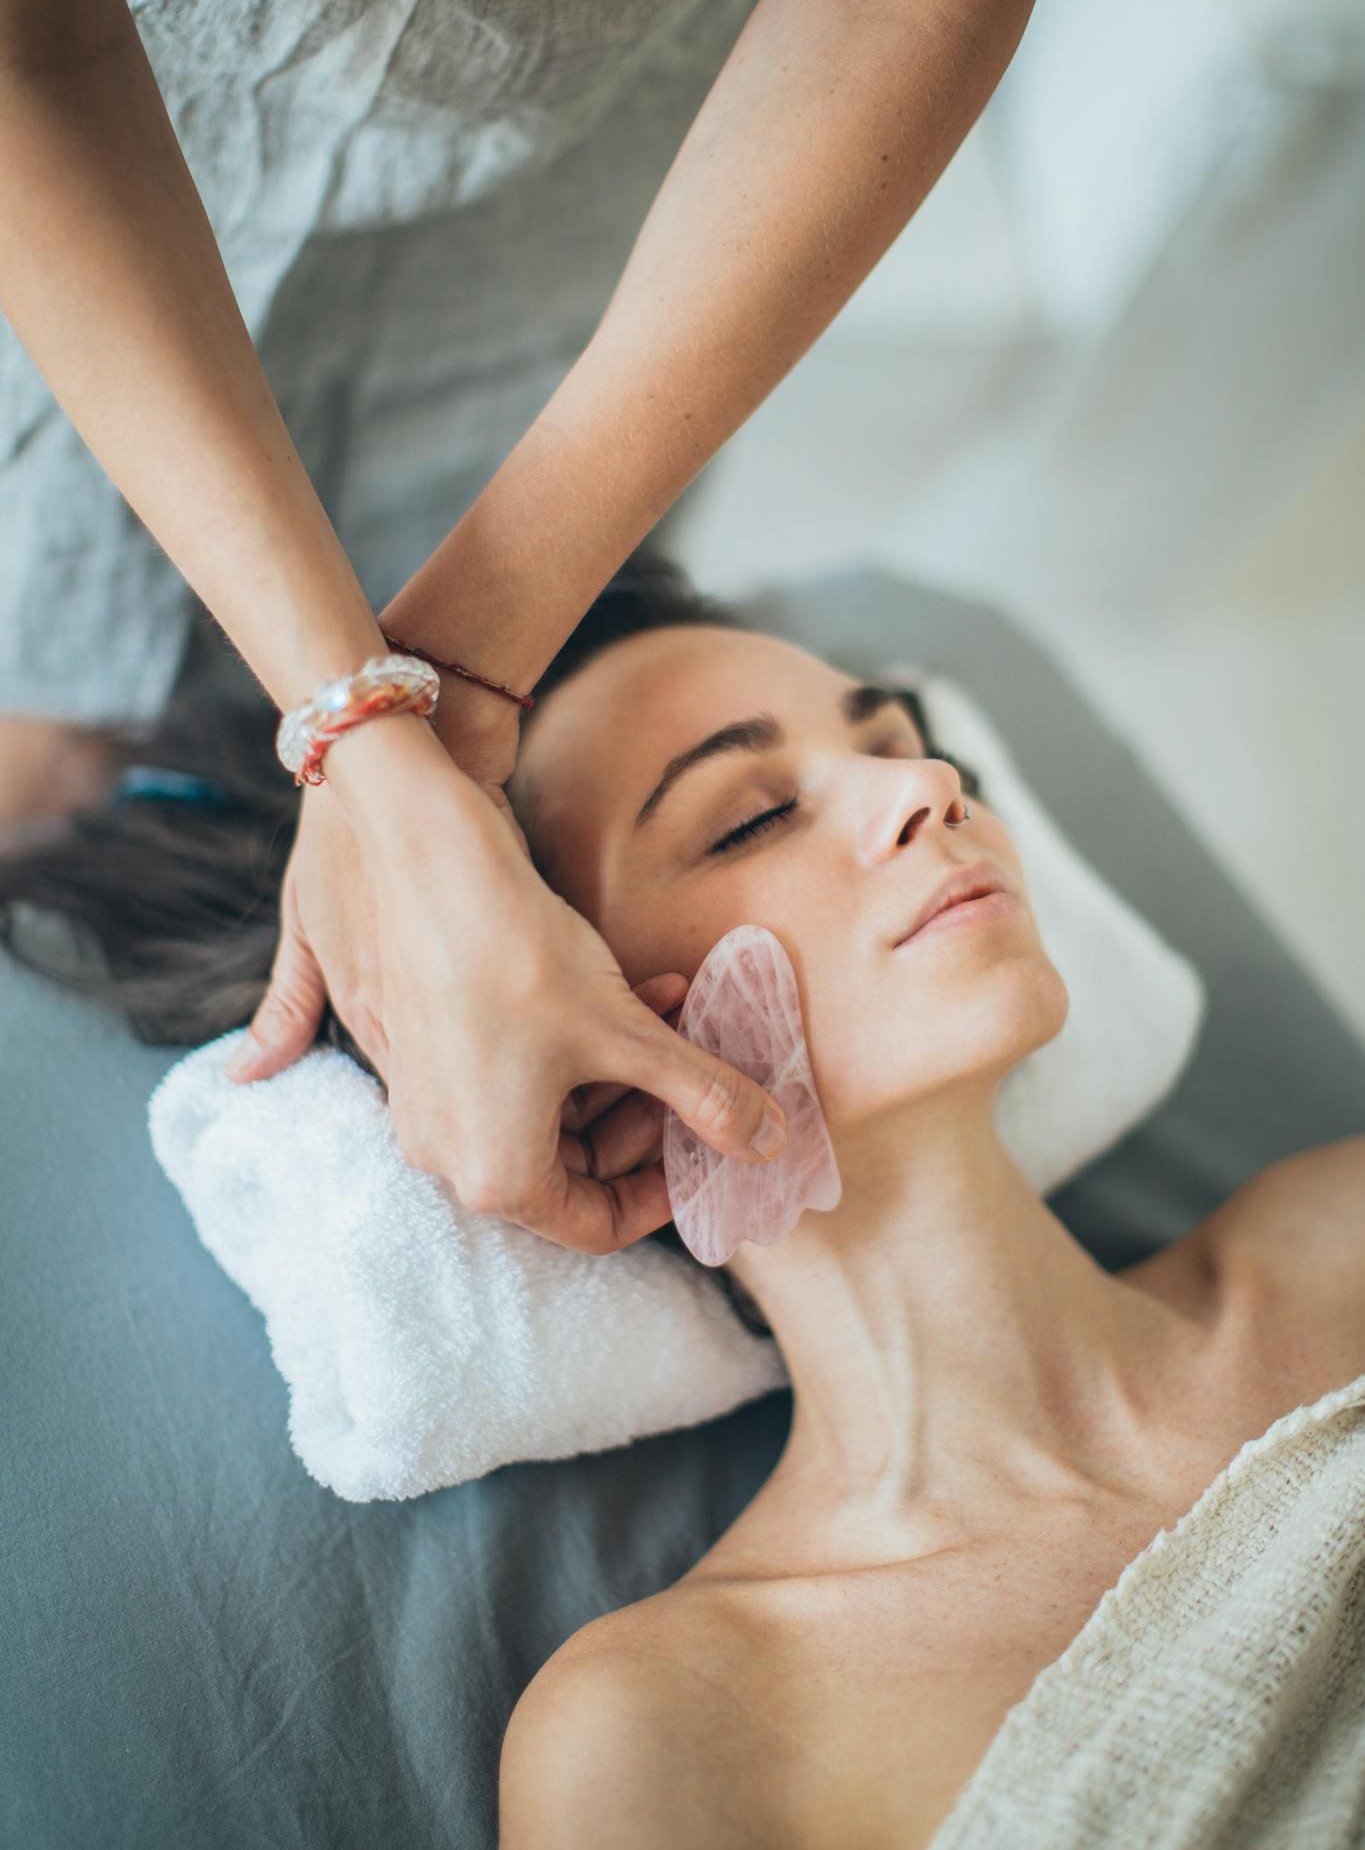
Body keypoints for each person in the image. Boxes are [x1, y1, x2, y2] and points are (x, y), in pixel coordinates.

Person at [2, 550, 1361, 1845]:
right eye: (753, 816)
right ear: (582, 1056)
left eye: (893, 739)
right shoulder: (673, 1732)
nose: (929, 786)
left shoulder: (1336, 1236)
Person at [0, 0, 1138, 1255]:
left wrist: (421, 701)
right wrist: (374, 742)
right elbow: (26, 40)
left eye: (778, 796)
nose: (933, 789)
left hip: (592, 197)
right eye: (751, 818)